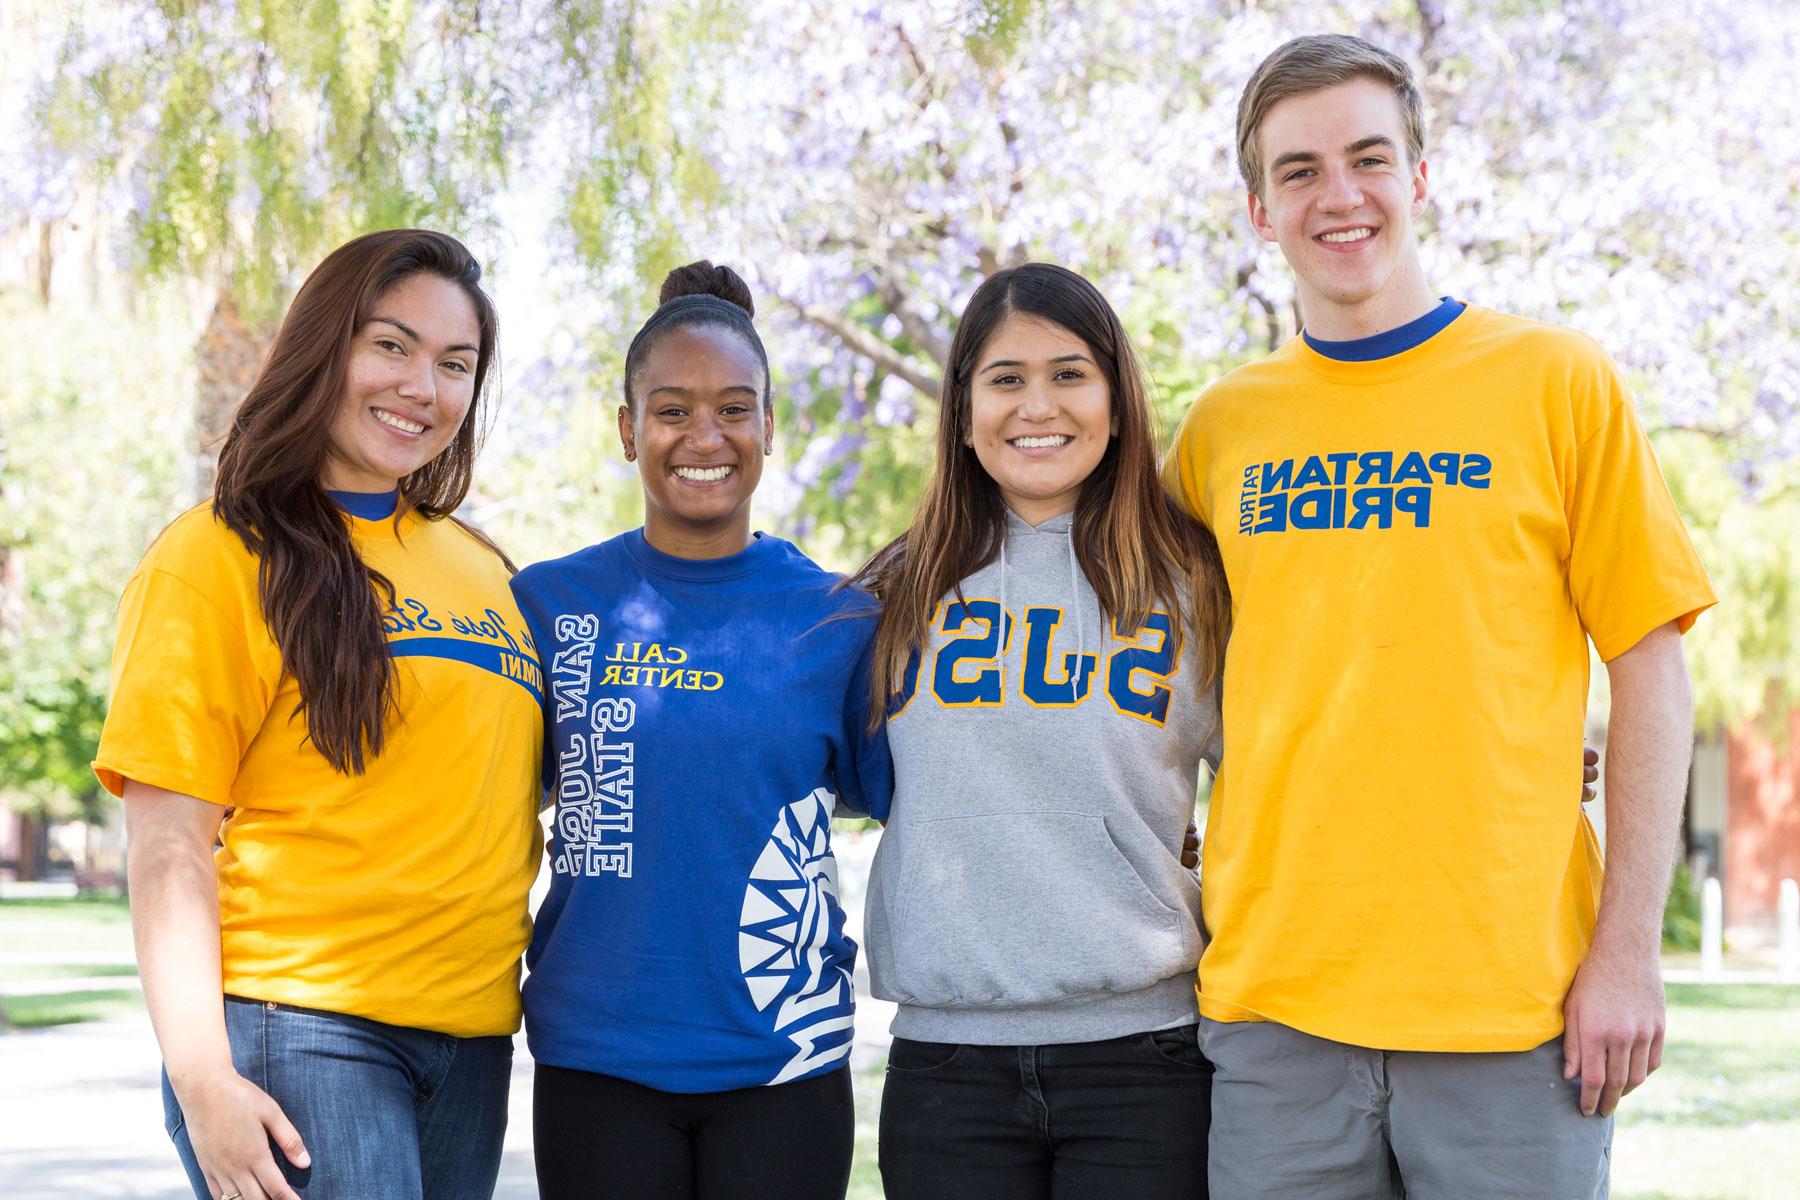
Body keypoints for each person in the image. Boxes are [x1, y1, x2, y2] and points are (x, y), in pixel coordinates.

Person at [1161, 35, 1717, 1199]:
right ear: (1258, 208)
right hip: (1277, 1007)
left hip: (1513, 1005)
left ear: (1419, 178)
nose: (1340, 195)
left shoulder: (1559, 382)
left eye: (1369, 158)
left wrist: (1628, 954)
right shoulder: (1221, 430)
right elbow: (1166, 679)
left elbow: (1651, 669)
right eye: (1300, 170)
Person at [93, 229, 543, 1200]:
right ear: (323, 347)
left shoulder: (488, 572)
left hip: (471, 1040)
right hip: (299, 1027)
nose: (422, 386)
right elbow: (169, 843)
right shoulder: (215, 556)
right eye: (391, 346)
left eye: (454, 364)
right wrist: (203, 1079)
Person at [512, 262, 893, 1200]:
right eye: (672, 409)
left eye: (733, 407)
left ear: (770, 424)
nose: (703, 436)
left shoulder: (839, 619)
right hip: (597, 1055)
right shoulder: (547, 604)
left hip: (783, 1058)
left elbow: (918, 799)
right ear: (627, 427)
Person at [852, 262, 1231, 1199]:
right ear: (964, 409)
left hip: (1144, 1058)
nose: (1038, 406)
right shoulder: (892, 595)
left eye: (1069, 373)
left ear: (1114, 396)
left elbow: (1308, 754)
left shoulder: (1194, 583)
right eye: (1006, 378)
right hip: (947, 1066)